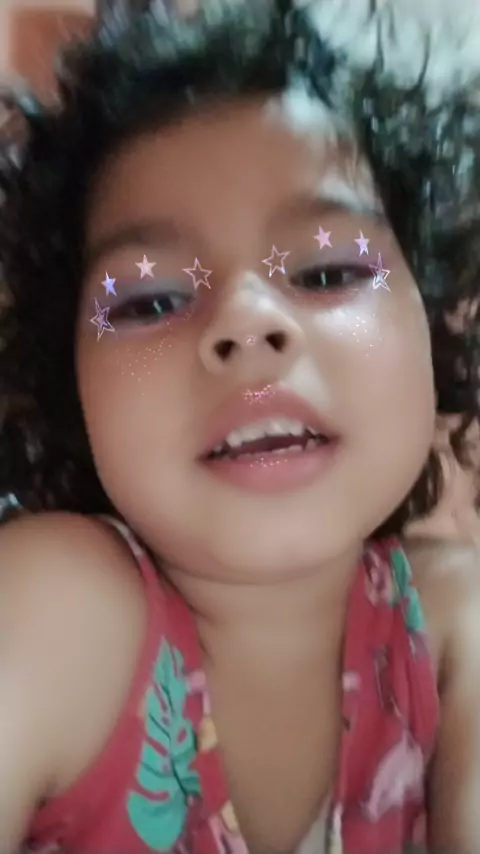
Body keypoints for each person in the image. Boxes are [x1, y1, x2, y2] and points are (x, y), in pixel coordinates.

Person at [1, 0, 480, 851]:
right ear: (69, 385)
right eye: (149, 301)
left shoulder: (453, 627)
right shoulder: (55, 611)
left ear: (433, 327)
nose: (247, 320)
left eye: (328, 271)